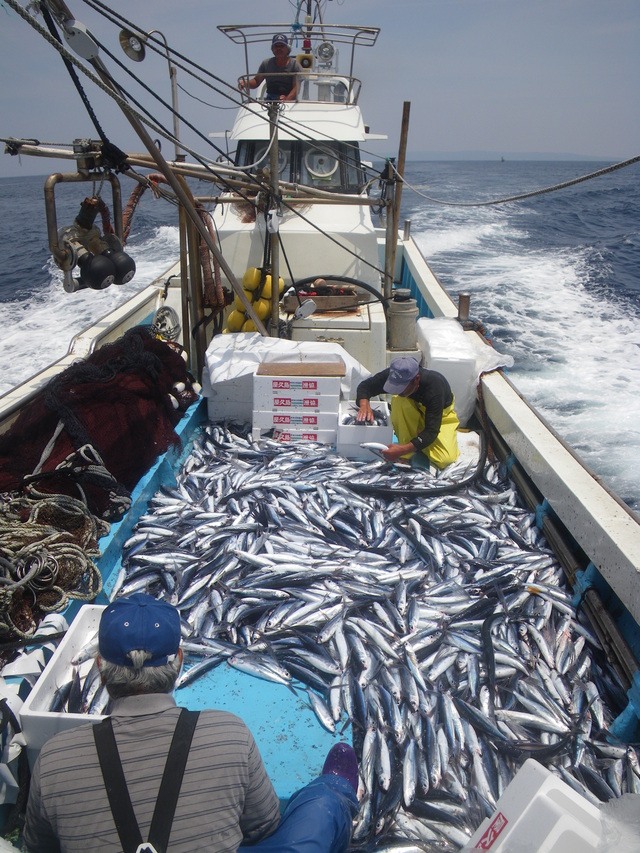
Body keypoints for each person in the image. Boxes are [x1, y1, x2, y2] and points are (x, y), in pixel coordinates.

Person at [24, 594, 359, 853]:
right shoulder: (228, 733)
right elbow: (265, 826)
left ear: (99, 667)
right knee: (321, 808)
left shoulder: (53, 758)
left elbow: (39, 846)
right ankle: (337, 791)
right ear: (180, 661)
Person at [356, 355, 460, 469]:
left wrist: (401, 449)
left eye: (401, 387)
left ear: (417, 379)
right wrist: (364, 403)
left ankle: (411, 444)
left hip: (440, 417)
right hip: (413, 411)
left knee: (446, 460)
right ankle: (409, 449)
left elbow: (431, 431)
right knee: (400, 400)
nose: (397, 390)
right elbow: (365, 386)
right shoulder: (394, 374)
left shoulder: (435, 386)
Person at [239, 33, 303, 102]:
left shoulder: (295, 65)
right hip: (270, 100)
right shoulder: (266, 64)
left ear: (287, 49)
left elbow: (296, 88)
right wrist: (245, 83)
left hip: (290, 100)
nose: (279, 48)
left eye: (282, 46)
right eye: (276, 46)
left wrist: (286, 100)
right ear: (272, 49)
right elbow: (256, 81)